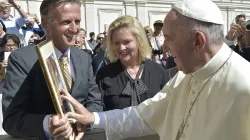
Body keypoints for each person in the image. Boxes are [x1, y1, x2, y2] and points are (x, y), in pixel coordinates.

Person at [60, 0, 250, 140]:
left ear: (198, 41)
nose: (164, 47)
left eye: (169, 38)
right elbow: (142, 116)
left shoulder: (245, 85)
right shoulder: (183, 77)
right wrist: (93, 117)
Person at [2, 0, 103, 139]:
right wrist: (48, 124)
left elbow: (96, 102)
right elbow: (11, 120)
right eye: (66, 22)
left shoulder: (83, 58)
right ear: (45, 24)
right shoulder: (22, 59)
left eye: (77, 21)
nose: (75, 29)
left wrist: (86, 120)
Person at [96, 15, 169, 111]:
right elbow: (98, 110)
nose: (121, 48)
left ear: (139, 41)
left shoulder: (158, 72)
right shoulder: (104, 74)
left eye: (126, 42)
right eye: (116, 43)